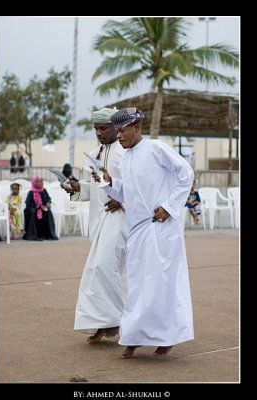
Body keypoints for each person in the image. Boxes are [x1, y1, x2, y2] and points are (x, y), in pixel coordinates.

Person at [91, 107, 194, 359]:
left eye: (123, 131)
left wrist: (170, 207)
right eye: (118, 131)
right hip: (137, 229)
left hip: (162, 230)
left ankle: (166, 338)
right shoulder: (125, 158)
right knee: (138, 285)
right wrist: (109, 182)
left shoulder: (156, 149)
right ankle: (134, 336)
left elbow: (186, 173)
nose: (120, 136)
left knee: (163, 285)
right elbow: (129, 193)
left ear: (137, 128)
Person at [62, 107, 128, 343]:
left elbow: (140, 185)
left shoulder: (127, 152)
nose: (99, 133)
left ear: (116, 128)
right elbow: (94, 190)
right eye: (96, 129)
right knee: (103, 272)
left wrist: (123, 200)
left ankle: (116, 322)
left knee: (103, 270)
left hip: (121, 220)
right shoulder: (93, 155)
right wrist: (77, 188)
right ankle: (106, 322)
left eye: (104, 128)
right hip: (98, 220)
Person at [23, 177, 58, 241]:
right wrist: (38, 206)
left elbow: (48, 198)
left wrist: (48, 202)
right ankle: (34, 235)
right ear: (34, 183)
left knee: (48, 212)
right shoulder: (31, 192)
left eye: (40, 182)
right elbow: (28, 203)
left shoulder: (44, 190)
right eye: (37, 182)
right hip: (32, 209)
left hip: (43, 208)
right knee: (34, 212)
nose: (39, 183)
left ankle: (48, 235)